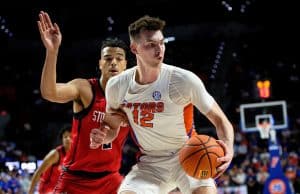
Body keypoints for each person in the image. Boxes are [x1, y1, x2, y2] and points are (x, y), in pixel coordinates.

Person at [104, 15, 234, 194]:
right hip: (150, 163)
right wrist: (104, 135)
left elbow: (220, 120)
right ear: (134, 48)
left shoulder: (183, 80)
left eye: (161, 43)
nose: (159, 50)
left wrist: (228, 148)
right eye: (151, 44)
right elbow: (111, 128)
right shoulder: (117, 85)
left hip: (187, 153)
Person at [37, 11, 130, 194]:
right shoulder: (85, 89)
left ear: (125, 64)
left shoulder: (133, 97)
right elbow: (49, 92)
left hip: (111, 179)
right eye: (108, 58)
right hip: (76, 179)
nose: (113, 62)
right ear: (100, 63)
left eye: (119, 59)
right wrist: (52, 52)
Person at [28, 124, 72, 194]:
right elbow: (38, 173)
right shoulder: (55, 154)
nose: (68, 139)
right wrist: (30, 192)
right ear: (62, 139)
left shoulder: (75, 156)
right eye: (65, 137)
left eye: (70, 137)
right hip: (47, 189)